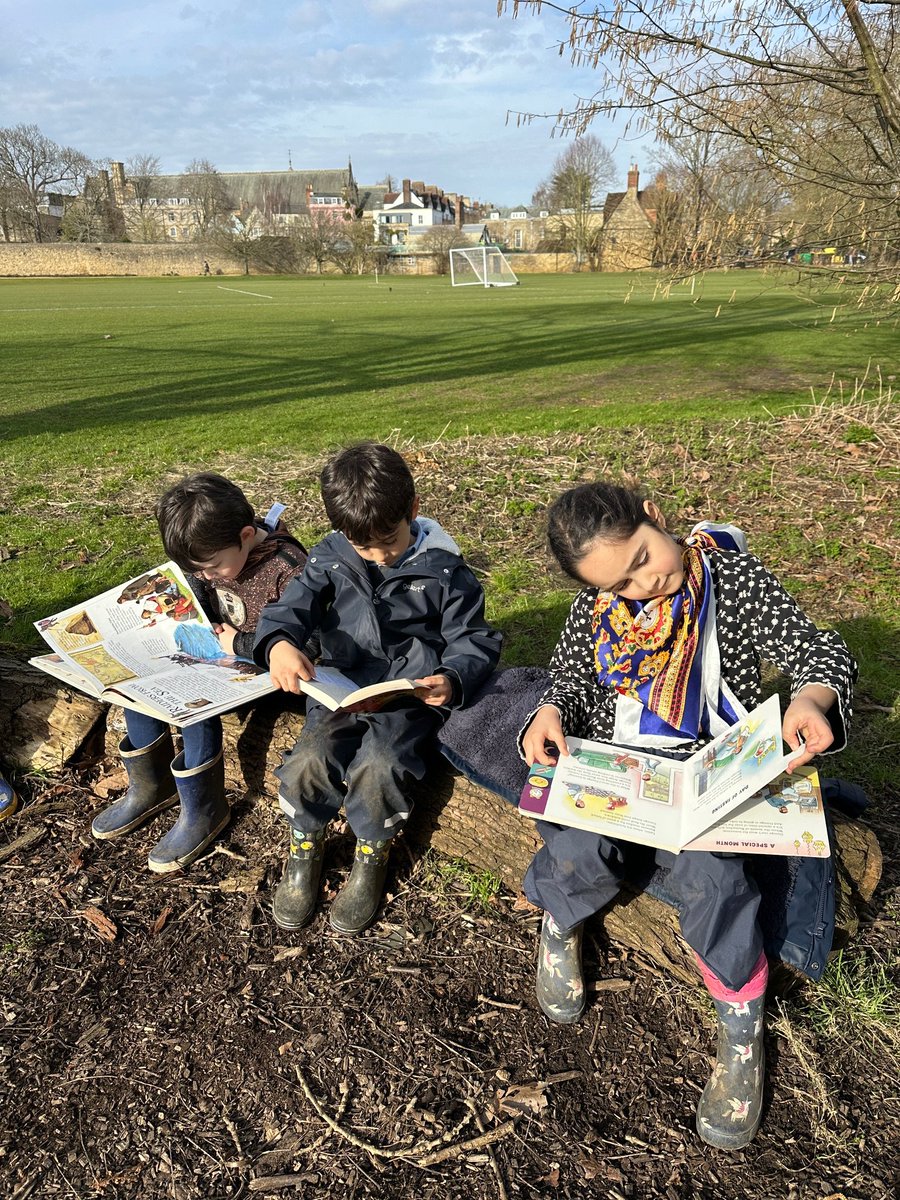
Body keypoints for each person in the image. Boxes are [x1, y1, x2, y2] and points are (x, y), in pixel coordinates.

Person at [519, 480, 855, 1151]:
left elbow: (817, 653)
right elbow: (573, 677)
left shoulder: (729, 578)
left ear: (654, 515)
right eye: (622, 585)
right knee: (581, 847)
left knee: (717, 878)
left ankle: (740, 1023)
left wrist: (811, 701)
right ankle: (560, 924)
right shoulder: (601, 604)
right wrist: (551, 712)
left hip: (711, 764)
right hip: (624, 762)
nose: (645, 585)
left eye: (644, 559)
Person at [254, 442, 502, 936]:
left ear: (412, 509)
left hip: (410, 697)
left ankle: (371, 853)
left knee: (381, 764)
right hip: (342, 685)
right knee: (310, 757)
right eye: (364, 546)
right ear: (343, 533)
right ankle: (304, 841)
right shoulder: (331, 557)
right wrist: (278, 643)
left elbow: (473, 639)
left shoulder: (445, 570)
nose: (379, 554)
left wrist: (452, 678)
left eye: (388, 540)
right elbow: (290, 610)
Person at [91, 474, 307, 873]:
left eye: (210, 568)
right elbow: (198, 591)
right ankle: (150, 786)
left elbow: (300, 644)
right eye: (196, 569)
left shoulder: (288, 570)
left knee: (193, 700)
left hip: (270, 671)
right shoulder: (216, 551)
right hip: (221, 653)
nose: (207, 576)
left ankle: (203, 808)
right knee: (145, 675)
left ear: (246, 535)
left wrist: (237, 645)